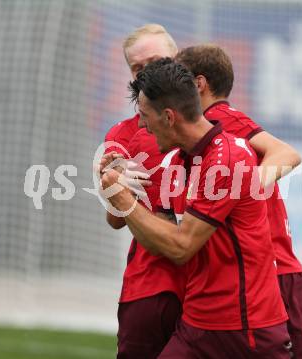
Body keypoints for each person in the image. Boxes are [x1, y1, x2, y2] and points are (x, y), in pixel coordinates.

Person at [101, 58, 292, 358]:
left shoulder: (227, 159)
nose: (141, 125)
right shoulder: (178, 160)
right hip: (198, 325)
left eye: (145, 115)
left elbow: (180, 246)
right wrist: (121, 191)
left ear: (168, 117)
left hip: (245, 332)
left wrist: (125, 200)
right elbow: (157, 232)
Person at [176, 44, 302, 358]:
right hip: (256, 279)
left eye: (179, 80)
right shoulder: (196, 136)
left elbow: (287, 153)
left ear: (199, 84)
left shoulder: (220, 120)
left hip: (277, 274)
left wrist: (241, 191)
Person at [102, 24, 184, 359]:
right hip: (151, 281)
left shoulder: (210, 124)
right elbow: (115, 219)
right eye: (137, 67)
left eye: (155, 60)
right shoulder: (122, 134)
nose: (147, 71)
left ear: (178, 60)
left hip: (210, 284)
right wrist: (113, 187)